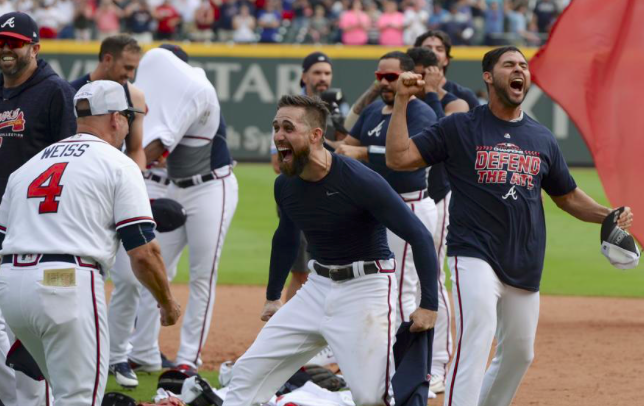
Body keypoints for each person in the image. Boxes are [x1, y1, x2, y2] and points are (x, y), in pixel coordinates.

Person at [385, 46, 634, 406]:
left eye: (523, 66)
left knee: (519, 354)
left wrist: (606, 214)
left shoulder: (541, 137)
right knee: (477, 336)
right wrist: (401, 103)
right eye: (509, 65)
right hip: (473, 253)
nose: (520, 70)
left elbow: (567, 196)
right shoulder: (460, 126)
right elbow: (399, 157)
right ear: (489, 77)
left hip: (524, 260)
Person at [223, 94, 439, 406]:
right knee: (246, 376)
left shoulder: (360, 179)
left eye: (288, 128)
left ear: (315, 136)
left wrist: (429, 304)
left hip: (366, 289)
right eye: (275, 127)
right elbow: (285, 237)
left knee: (370, 397)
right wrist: (272, 297)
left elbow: (419, 235)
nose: (278, 136)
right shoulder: (285, 184)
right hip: (316, 289)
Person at [0, 80, 181, 406]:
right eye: (128, 115)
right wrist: (167, 302)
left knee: (44, 393)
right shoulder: (119, 164)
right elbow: (143, 252)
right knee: (80, 398)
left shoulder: (28, 167)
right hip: (67, 283)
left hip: (12, 288)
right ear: (115, 118)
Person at [127, 47, 238, 373]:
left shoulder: (197, 93)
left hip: (211, 187)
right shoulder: (165, 93)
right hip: (176, 187)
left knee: (202, 275)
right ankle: (143, 351)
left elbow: (159, 145)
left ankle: (189, 358)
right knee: (156, 269)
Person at [0, 11, 77, 406]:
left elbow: (68, 161)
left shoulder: (53, 91)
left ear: (34, 46)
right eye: (1, 41)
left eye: (14, 41)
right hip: (1, 222)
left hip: (35, 225)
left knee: (31, 326)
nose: (6, 48)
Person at [335, 51, 438, 332]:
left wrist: (363, 152)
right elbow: (346, 147)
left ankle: (404, 364)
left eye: (391, 77)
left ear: (407, 77)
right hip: (373, 208)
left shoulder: (420, 113)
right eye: (380, 77)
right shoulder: (371, 111)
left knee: (402, 287)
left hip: (408, 204)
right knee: (373, 285)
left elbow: (408, 156)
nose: (384, 83)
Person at [270, 51, 349, 303]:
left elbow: (348, 148)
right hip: (299, 194)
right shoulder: (291, 110)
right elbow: (277, 163)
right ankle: (285, 330)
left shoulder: (337, 104)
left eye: (327, 73)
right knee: (302, 272)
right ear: (304, 75)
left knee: (335, 269)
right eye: (317, 72)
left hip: (333, 195)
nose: (323, 78)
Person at [69, 34, 146, 170]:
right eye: (127, 67)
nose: (131, 75)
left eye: (134, 69)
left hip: (113, 175)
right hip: (77, 172)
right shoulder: (71, 92)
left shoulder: (135, 96)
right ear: (108, 59)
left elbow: (136, 150)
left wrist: (138, 180)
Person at [414, 30, 480, 110]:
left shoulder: (464, 95)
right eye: (427, 48)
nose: (433, 52)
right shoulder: (406, 92)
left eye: (439, 49)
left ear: (446, 60)